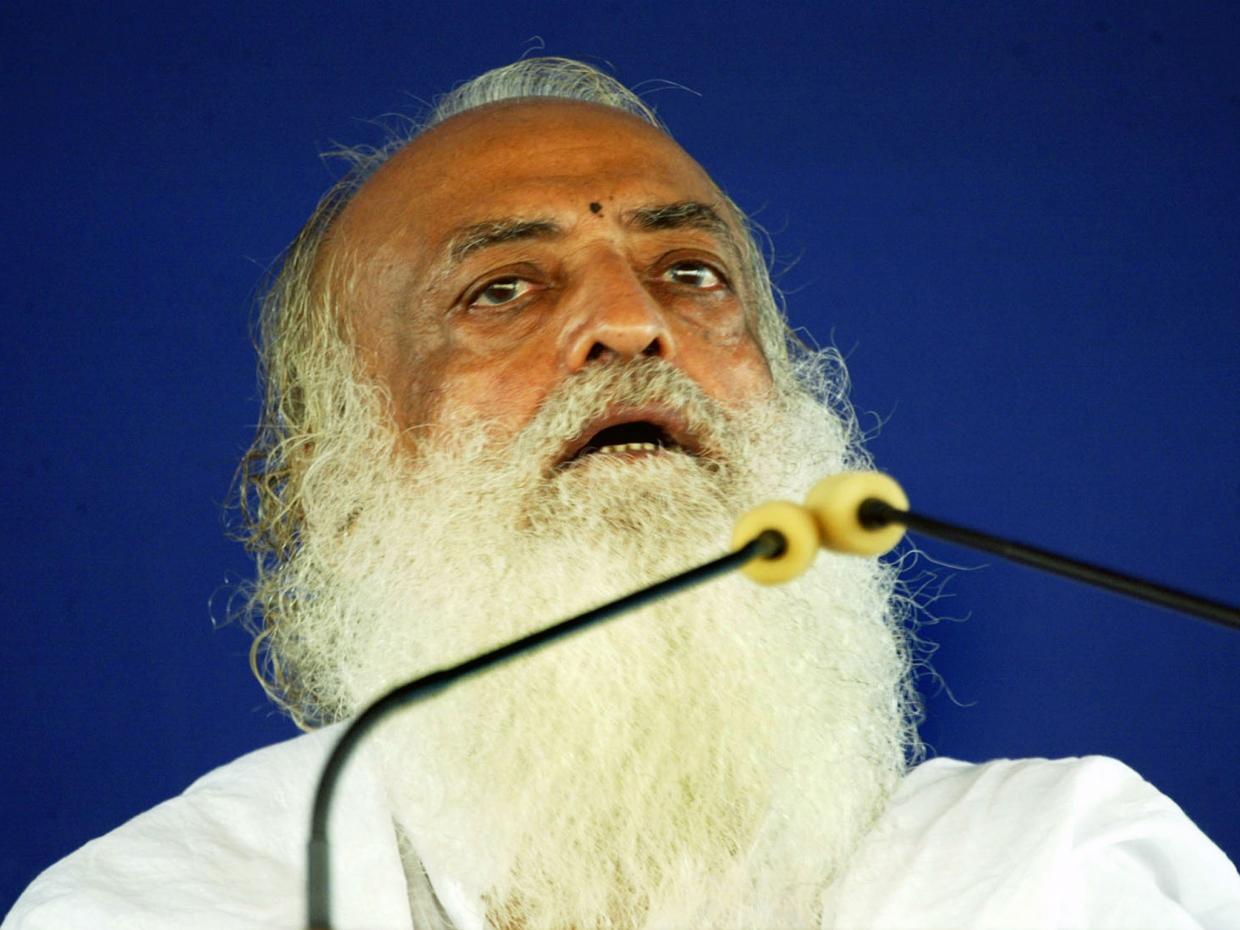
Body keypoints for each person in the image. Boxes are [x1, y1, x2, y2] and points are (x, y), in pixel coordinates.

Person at [6, 57, 1238, 930]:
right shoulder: (164, 906)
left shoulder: (1059, 871)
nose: (630, 321)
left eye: (690, 272)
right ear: (337, 489)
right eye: (501, 289)